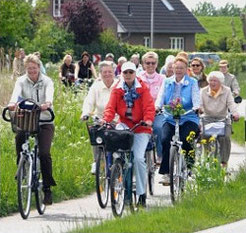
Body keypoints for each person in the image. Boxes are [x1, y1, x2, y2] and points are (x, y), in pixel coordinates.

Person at [103, 61, 155, 207]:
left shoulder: (142, 89)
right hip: (125, 124)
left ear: (135, 73)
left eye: (131, 72)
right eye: (125, 72)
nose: (128, 75)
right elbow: (110, 108)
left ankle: (141, 194)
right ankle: (119, 172)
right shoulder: (117, 89)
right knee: (118, 150)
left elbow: (149, 107)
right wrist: (105, 120)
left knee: (138, 159)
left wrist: (148, 120)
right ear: (122, 74)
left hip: (141, 127)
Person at [8, 54, 56, 205]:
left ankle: (47, 189)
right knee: (19, 136)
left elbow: (50, 93)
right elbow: (16, 93)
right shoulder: (21, 80)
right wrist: (12, 103)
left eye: (34, 68)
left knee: (44, 153)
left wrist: (47, 103)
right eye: (29, 69)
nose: (32, 71)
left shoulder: (47, 81)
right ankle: (21, 168)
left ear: (39, 67)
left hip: (45, 119)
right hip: (28, 119)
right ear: (26, 68)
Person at [155, 56, 200, 185]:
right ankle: (166, 173)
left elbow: (196, 96)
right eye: (176, 68)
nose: (179, 70)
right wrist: (157, 106)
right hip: (170, 116)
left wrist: (197, 107)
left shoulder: (192, 82)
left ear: (186, 69)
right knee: (165, 140)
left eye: (181, 68)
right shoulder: (167, 81)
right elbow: (161, 96)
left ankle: (190, 167)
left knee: (187, 139)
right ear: (172, 68)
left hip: (188, 116)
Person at [80, 61, 118, 174]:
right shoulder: (96, 86)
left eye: (110, 71)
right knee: (95, 135)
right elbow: (89, 101)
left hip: (116, 119)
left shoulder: (119, 85)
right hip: (100, 119)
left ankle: (118, 162)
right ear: (100, 74)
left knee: (119, 140)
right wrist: (85, 113)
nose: (107, 74)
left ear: (114, 72)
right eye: (104, 72)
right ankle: (96, 161)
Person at [200, 71, 239, 168]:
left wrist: (235, 113)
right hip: (207, 118)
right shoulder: (203, 91)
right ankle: (206, 156)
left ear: (220, 82)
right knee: (204, 135)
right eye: (211, 80)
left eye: (215, 81)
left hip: (222, 119)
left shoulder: (227, 91)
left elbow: (231, 104)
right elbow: (199, 104)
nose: (212, 83)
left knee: (224, 137)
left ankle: (224, 162)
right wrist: (199, 109)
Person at [139, 51, 165, 164]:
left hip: (157, 111)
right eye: (147, 63)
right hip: (141, 112)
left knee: (159, 128)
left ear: (157, 64)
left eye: (153, 63)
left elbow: (163, 95)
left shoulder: (162, 78)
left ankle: (160, 154)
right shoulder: (138, 78)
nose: (150, 65)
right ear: (143, 64)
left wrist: (158, 106)